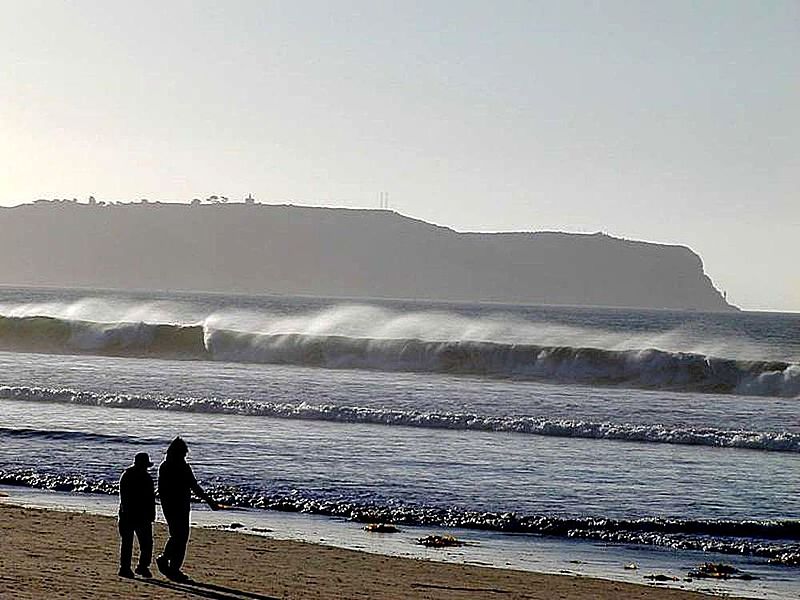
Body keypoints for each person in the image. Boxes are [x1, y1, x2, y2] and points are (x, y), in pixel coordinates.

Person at [156, 436, 220, 582]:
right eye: (184, 454)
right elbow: (194, 486)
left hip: (169, 505)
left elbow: (162, 489)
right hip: (180, 505)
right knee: (181, 537)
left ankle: (168, 562)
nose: (185, 457)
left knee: (176, 535)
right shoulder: (182, 467)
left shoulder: (164, 466)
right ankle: (171, 565)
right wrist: (210, 501)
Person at [118, 452, 156, 578]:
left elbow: (124, 497)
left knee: (130, 543)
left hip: (130, 514)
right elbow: (150, 499)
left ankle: (128, 568)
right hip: (138, 515)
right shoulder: (145, 478)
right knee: (145, 543)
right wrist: (151, 514)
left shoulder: (127, 475)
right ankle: (140, 567)